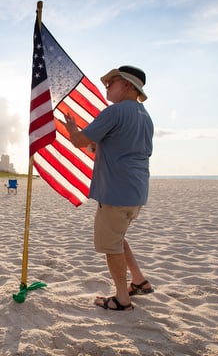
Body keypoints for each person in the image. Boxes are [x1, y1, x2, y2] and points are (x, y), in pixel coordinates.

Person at [64, 65, 155, 311]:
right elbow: (125, 148)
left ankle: (122, 299)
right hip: (136, 193)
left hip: (115, 193)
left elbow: (79, 141)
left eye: (110, 82)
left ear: (126, 84)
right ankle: (139, 281)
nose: (106, 87)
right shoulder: (145, 116)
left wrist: (71, 127)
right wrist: (97, 147)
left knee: (111, 245)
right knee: (118, 237)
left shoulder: (115, 112)